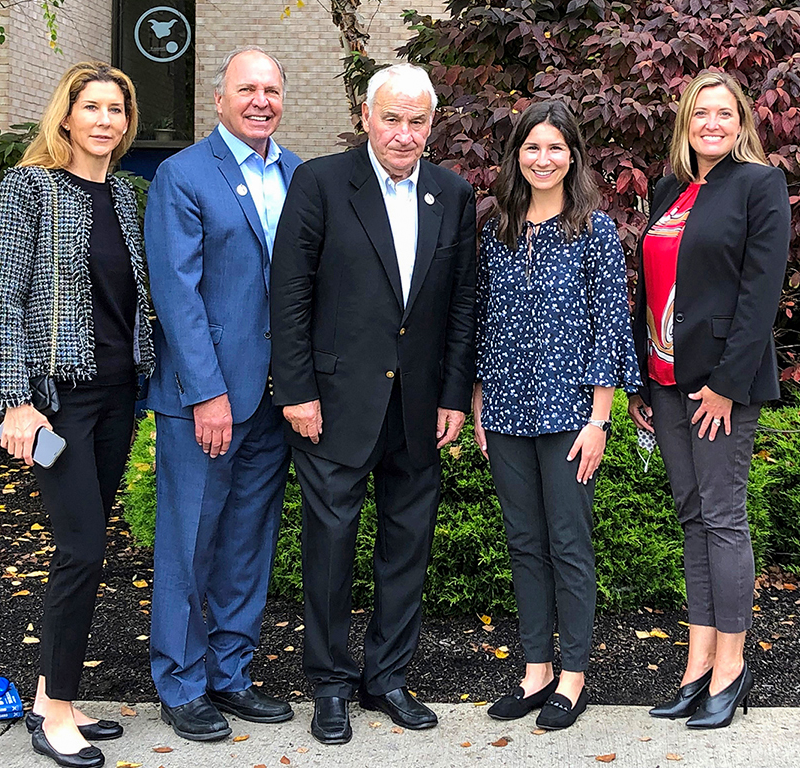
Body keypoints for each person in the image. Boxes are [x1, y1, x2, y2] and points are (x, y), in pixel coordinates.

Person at [270, 63, 476, 745]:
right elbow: (290, 293)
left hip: (417, 408)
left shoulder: (451, 193)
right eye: (393, 117)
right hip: (332, 403)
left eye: (418, 120)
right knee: (329, 548)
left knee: (406, 548)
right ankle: (330, 684)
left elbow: (460, 306)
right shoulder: (321, 183)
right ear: (367, 115)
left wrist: (452, 394)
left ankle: (386, 676)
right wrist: (294, 389)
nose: (405, 133)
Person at [0, 61, 154, 768]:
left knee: (87, 549)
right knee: (80, 550)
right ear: (66, 116)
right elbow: (3, 297)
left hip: (116, 395)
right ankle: (49, 711)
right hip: (56, 400)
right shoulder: (31, 187)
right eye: (94, 108)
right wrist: (15, 401)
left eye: (118, 109)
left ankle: (60, 690)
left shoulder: (121, 194)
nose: (107, 120)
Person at [144, 47, 300, 742]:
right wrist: (208, 393)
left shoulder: (298, 173)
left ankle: (231, 674)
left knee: (247, 541)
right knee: (190, 540)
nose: (260, 100)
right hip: (206, 399)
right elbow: (175, 294)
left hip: (275, 398)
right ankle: (180, 682)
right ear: (219, 98)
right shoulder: (182, 175)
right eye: (248, 89)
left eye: (271, 89)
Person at [627, 71, 790, 729]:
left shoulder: (759, 185)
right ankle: (697, 666)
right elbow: (657, 286)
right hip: (666, 381)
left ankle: (730, 668)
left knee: (723, 516)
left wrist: (725, 385)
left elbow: (760, 294)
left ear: (741, 121)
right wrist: (641, 377)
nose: (712, 124)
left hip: (721, 384)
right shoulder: (670, 189)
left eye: (724, 113)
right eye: (701, 114)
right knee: (692, 516)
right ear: (686, 124)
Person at [472, 101, 640, 730]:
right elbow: (485, 324)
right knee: (524, 543)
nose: (543, 160)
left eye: (555, 148)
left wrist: (601, 418)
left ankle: (573, 676)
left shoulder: (593, 230)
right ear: (517, 156)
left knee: (568, 544)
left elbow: (610, 329)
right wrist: (481, 404)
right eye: (531, 148)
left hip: (572, 414)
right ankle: (535, 670)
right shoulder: (498, 231)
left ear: (573, 157)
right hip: (508, 410)